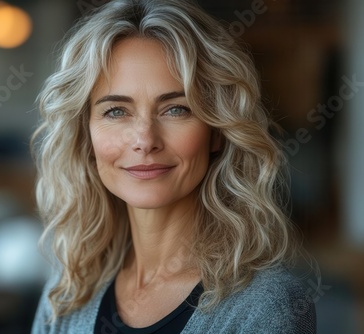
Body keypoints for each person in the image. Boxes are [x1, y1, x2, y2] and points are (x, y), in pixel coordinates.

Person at [31, 0, 317, 332]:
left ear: (217, 133)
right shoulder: (68, 291)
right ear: (86, 135)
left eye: (176, 109)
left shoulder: (266, 306)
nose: (145, 139)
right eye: (116, 111)